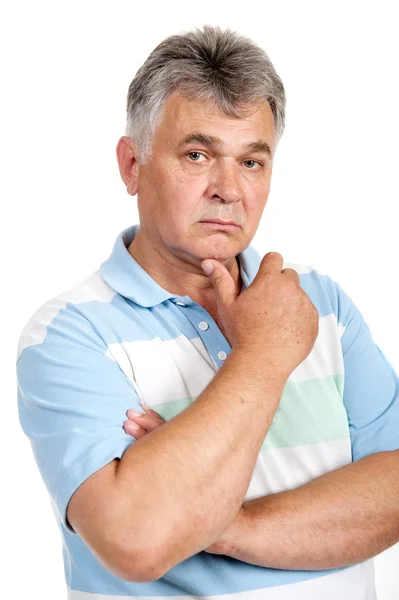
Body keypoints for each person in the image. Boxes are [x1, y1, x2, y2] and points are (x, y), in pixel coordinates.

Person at [16, 24, 399, 599]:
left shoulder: (321, 305)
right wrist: (264, 353)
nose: (228, 189)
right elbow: (138, 539)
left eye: (252, 162)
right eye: (198, 154)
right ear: (131, 165)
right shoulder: (70, 333)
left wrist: (216, 521)